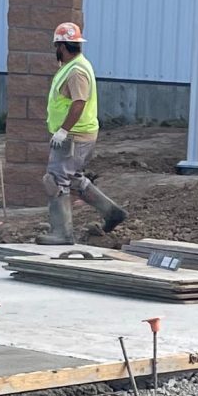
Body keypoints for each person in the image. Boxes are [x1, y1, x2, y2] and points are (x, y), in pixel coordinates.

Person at [42, 21, 125, 243]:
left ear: (61, 46)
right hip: (80, 135)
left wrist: (63, 130)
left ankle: (62, 234)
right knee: (74, 178)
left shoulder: (76, 71)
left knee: (55, 180)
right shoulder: (75, 66)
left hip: (74, 136)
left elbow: (79, 102)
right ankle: (112, 212)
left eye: (56, 46)